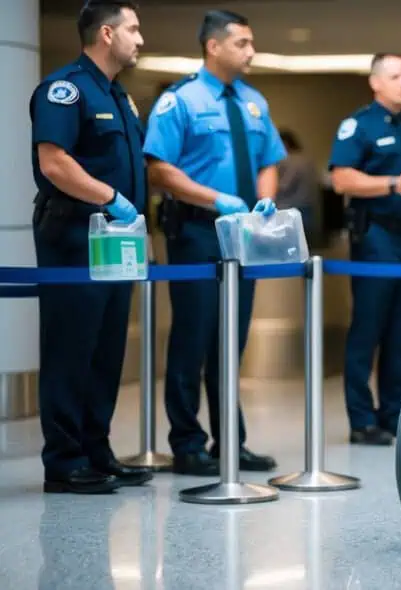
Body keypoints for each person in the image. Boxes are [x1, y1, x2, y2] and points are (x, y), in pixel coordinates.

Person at [143, 9, 283, 476]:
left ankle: (230, 442)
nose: (251, 51)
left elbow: (268, 160)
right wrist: (216, 198)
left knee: (231, 341)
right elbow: (159, 168)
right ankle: (187, 444)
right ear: (214, 46)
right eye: (242, 42)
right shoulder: (179, 100)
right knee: (193, 338)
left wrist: (264, 199)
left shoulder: (254, 102)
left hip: (244, 234)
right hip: (197, 231)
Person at [29, 0, 152, 493]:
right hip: (75, 237)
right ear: (106, 33)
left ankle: (95, 451)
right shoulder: (66, 90)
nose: (140, 39)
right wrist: (111, 198)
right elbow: (54, 162)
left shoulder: (120, 96)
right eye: (133, 29)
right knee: (70, 348)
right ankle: (64, 460)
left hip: (116, 241)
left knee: (105, 349)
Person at [329, 53, 401, 445]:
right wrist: (393, 184)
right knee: (368, 330)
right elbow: (341, 179)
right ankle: (361, 420)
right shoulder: (358, 126)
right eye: (395, 76)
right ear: (376, 82)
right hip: (375, 238)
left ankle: (394, 415)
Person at [275, 129, 320, 240]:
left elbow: (284, 185)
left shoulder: (290, 160)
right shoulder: (306, 159)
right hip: (308, 205)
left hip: (291, 208)